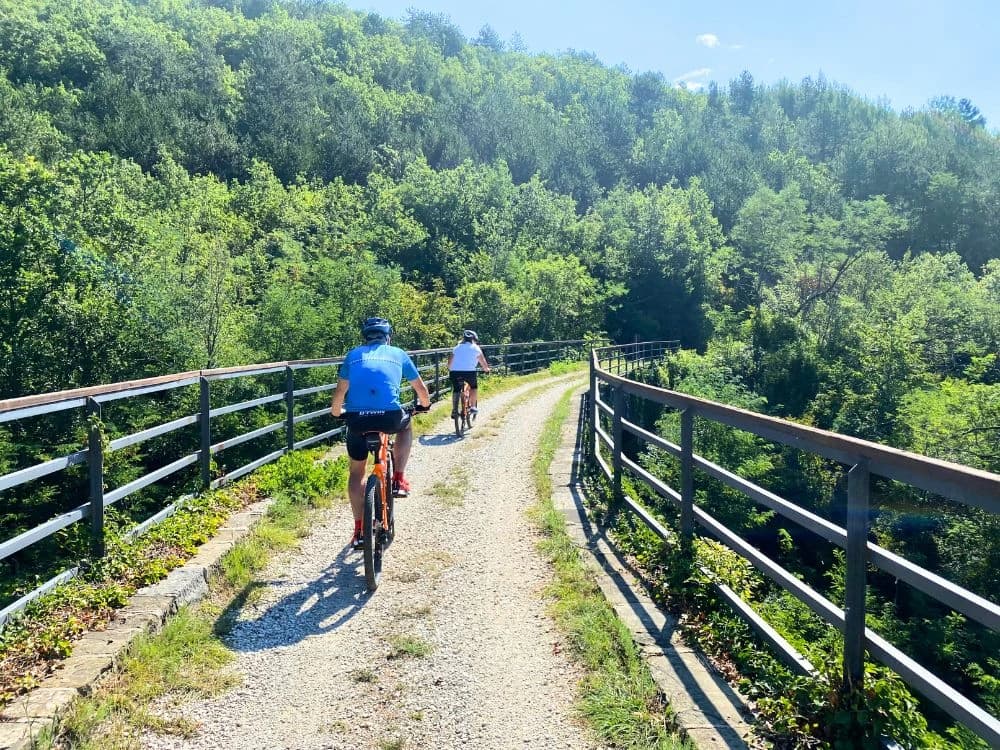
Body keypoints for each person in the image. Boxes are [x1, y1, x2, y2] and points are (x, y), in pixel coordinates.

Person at [330, 317, 431, 550]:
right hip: (389, 417)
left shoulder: (353, 355)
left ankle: (359, 530)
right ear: (388, 337)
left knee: (356, 473)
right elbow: (420, 389)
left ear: (365, 338)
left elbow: (340, 393)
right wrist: (424, 405)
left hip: (358, 420)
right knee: (406, 425)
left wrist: (337, 413)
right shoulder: (398, 353)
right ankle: (399, 479)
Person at [447, 329, 490, 415]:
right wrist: (486, 370)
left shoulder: (456, 348)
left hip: (455, 372)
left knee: (456, 389)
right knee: (473, 387)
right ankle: (473, 407)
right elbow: (483, 362)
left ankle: (455, 410)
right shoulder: (476, 348)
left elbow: (449, 363)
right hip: (469, 373)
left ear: (463, 338)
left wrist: (450, 369)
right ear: (474, 339)